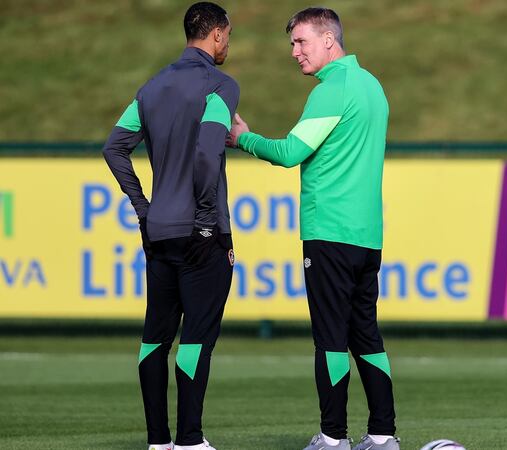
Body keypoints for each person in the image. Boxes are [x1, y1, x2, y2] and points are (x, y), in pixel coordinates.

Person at [227, 7, 398, 450]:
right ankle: (382, 435)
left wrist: (243, 137)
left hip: (329, 233)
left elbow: (289, 152)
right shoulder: (373, 86)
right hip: (367, 235)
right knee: (366, 335)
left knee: (330, 338)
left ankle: (333, 436)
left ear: (329, 40)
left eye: (301, 42)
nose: (294, 52)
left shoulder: (332, 89)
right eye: (292, 44)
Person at [102, 2, 238, 449]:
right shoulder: (220, 85)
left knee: (154, 338)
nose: (228, 45)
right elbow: (207, 152)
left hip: (158, 229)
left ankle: (159, 442)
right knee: (196, 338)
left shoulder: (152, 87)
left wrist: (143, 207)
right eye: (228, 36)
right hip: (201, 233)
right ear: (217, 34)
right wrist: (205, 219)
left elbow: (114, 149)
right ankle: (190, 441)